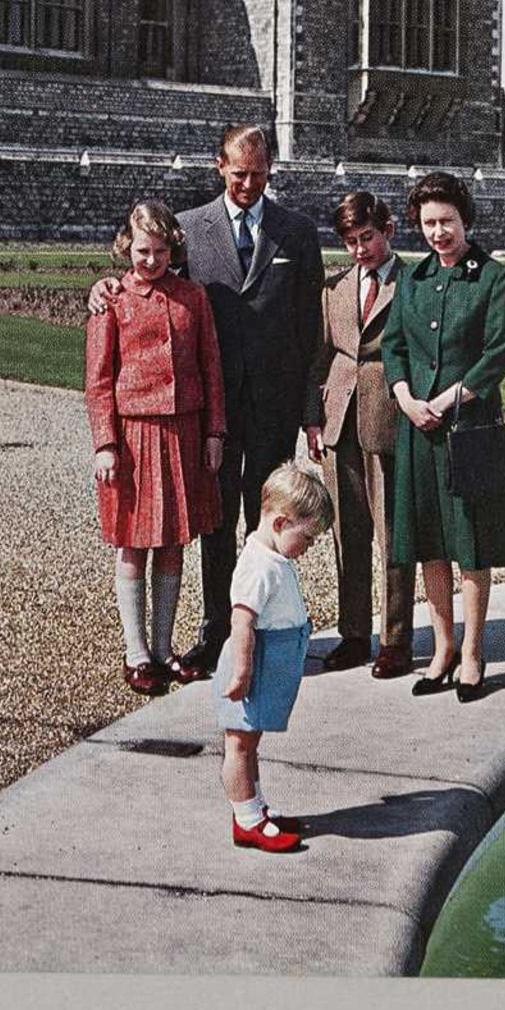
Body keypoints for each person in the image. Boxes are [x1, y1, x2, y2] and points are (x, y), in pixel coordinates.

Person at [159, 124, 324, 678]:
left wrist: (310, 408)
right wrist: (105, 289)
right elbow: (159, 291)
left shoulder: (296, 232)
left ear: (271, 170)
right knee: (217, 518)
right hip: (216, 405)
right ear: (219, 167)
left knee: (269, 517)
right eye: (238, 174)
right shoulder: (189, 230)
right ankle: (217, 630)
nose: (248, 184)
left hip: (275, 402)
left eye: (258, 174)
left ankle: (272, 629)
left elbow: (312, 330)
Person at [381, 171, 505, 704]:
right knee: (429, 544)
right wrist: (405, 398)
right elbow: (394, 346)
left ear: (466, 220)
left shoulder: (493, 279)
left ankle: (472, 652)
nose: (438, 233)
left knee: (470, 545)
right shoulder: (413, 281)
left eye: (446, 222)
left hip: (467, 429)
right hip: (417, 428)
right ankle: (441, 649)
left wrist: (443, 402)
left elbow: (497, 356)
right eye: (428, 223)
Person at [85, 199, 226, 693]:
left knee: (171, 542)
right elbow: (99, 381)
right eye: (143, 251)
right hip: (132, 433)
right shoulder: (113, 301)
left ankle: (164, 649)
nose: (151, 260)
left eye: (160, 250)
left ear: (173, 248)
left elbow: (212, 370)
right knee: (132, 541)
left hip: (184, 432)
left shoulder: (193, 298)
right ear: (128, 248)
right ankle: (136, 651)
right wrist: (105, 443)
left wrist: (214, 433)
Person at [305, 190, 415, 678]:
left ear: (388, 230)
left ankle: (396, 639)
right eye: (350, 241)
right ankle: (354, 634)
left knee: (394, 535)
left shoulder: (414, 283)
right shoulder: (334, 289)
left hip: (390, 415)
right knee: (347, 536)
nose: (360, 249)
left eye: (367, 237)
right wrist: (313, 417)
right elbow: (319, 357)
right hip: (338, 418)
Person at [211, 461, 335, 853]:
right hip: (253, 668)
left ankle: (256, 809)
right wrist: (242, 672)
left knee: (251, 742)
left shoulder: (272, 557)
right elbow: (242, 622)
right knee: (240, 745)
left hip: (266, 666)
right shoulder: (258, 566)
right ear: (280, 523)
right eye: (308, 538)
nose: (309, 548)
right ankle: (246, 820)